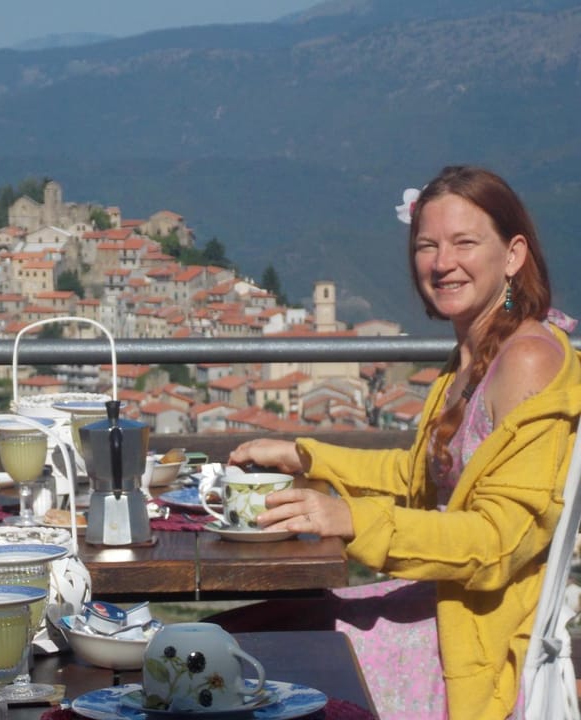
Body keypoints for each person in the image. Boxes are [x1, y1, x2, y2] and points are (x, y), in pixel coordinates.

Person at [227, 165, 581, 719]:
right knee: (238, 633)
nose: (443, 263)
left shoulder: (528, 360)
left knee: (237, 658)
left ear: (513, 255)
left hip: (475, 646)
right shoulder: (474, 356)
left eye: (465, 243)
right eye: (427, 245)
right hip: (443, 609)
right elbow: (418, 476)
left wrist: (348, 518)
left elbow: (497, 543)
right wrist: (304, 456)